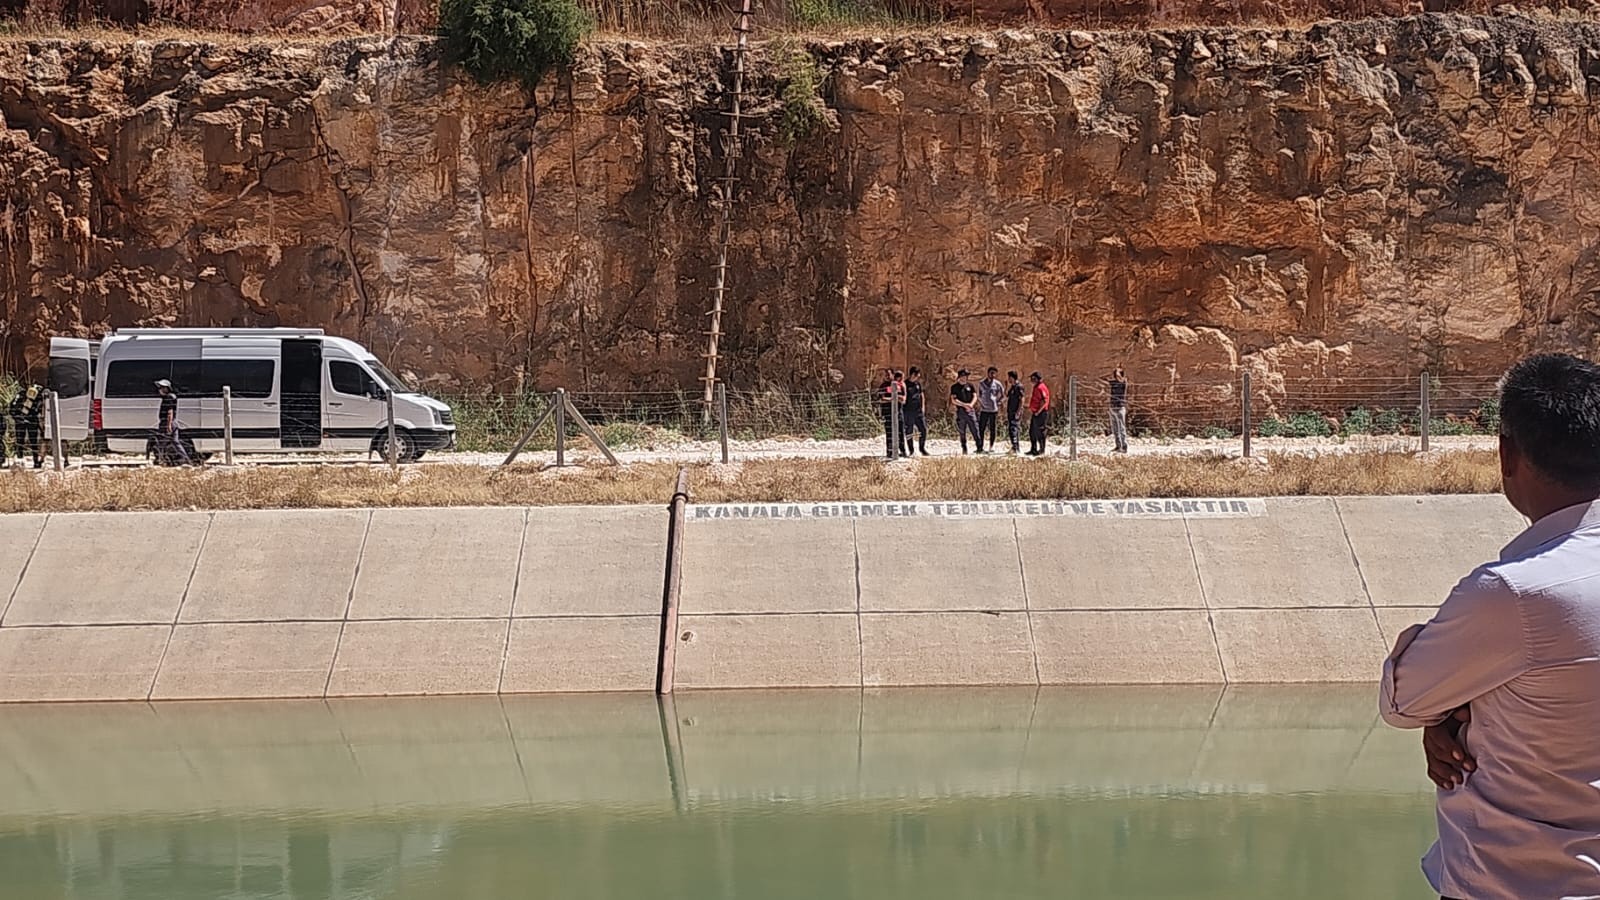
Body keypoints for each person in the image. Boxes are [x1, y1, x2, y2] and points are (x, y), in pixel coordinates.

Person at [1379, 353, 1600, 900]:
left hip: (1521, 883)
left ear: (1506, 455)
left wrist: (1458, 709)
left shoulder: (1516, 593)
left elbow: (1404, 703)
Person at [152, 378, 192, 466]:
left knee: (162, 442)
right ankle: (186, 459)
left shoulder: (168, 398)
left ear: (166, 388)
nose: (160, 389)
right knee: (175, 442)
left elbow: (170, 412)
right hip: (173, 423)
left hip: (167, 422)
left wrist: (168, 425)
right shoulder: (172, 396)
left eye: (162, 387)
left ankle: (160, 459)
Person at [9, 381, 45, 469]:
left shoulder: (38, 398)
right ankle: (22, 460)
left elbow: (41, 410)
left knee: (30, 441)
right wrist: (17, 417)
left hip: (29, 421)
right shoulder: (21, 395)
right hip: (23, 421)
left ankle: (33, 461)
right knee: (23, 441)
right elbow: (12, 407)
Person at [949, 369, 980, 454]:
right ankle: (964, 448)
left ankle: (979, 447)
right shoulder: (954, 387)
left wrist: (971, 405)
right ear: (960, 376)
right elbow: (954, 400)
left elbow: (975, 396)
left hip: (970, 410)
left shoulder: (970, 385)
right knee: (962, 430)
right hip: (961, 411)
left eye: (966, 376)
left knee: (975, 428)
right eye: (963, 376)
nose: (965, 377)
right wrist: (964, 405)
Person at [977, 366, 1004, 453]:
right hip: (984, 410)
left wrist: (998, 402)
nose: (993, 375)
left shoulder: (997, 384)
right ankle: (980, 446)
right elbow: (979, 395)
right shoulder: (981, 383)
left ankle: (991, 446)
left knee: (993, 428)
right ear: (988, 373)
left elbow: (1003, 395)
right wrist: (981, 403)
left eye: (994, 373)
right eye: (991, 373)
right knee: (981, 428)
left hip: (993, 410)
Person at [902, 367, 928, 457]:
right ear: (913, 374)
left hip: (918, 411)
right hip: (908, 412)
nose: (919, 376)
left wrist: (923, 407)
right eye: (917, 374)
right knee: (909, 431)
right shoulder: (905, 384)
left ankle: (922, 448)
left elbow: (921, 395)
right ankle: (911, 450)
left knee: (923, 430)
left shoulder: (918, 384)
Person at [1026, 372, 1050, 456]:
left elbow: (1044, 401)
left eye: (1033, 379)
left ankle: (1042, 450)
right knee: (1032, 431)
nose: (1031, 381)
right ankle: (1033, 449)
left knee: (1040, 432)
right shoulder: (1036, 387)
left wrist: (1038, 411)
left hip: (1041, 413)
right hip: (1036, 413)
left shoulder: (1041, 387)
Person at [1109, 367, 1129, 453]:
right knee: (1115, 428)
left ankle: (1124, 447)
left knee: (1121, 428)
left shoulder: (1123, 383)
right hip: (1112, 407)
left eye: (1117, 374)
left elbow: (1122, 379)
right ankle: (1118, 446)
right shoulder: (1113, 383)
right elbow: (1101, 379)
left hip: (1120, 407)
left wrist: (1119, 373)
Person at [1005, 370, 1024, 454]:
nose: (1008, 379)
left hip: (1015, 411)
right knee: (1011, 429)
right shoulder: (1012, 387)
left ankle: (1015, 448)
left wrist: (1018, 411)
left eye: (1009, 377)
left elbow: (1022, 399)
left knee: (1014, 429)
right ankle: (1015, 447)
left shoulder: (1019, 386)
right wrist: (1006, 386)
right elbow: (1006, 395)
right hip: (1010, 411)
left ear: (1013, 377)